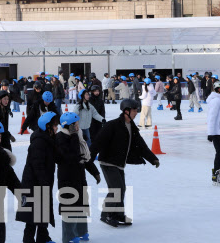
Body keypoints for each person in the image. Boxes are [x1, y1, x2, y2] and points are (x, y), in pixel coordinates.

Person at [90, 98, 160, 227]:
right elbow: (98, 142)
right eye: (134, 110)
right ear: (126, 111)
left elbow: (141, 145)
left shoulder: (131, 127)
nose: (136, 112)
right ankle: (106, 214)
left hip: (119, 163)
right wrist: (89, 160)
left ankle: (118, 214)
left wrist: (152, 158)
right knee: (117, 189)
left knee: (121, 189)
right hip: (108, 162)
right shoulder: (112, 125)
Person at [56, 111, 100, 243]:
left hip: (79, 176)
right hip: (67, 177)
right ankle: (68, 235)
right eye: (75, 124)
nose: (78, 126)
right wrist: (74, 136)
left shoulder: (79, 136)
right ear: (68, 126)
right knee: (69, 206)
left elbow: (85, 158)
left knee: (81, 204)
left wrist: (95, 172)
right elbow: (72, 156)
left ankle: (81, 231)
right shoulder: (60, 138)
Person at [16, 111, 59, 243]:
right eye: (55, 125)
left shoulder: (49, 138)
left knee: (42, 211)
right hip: (34, 182)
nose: (57, 127)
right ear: (47, 126)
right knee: (33, 215)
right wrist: (43, 182)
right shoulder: (39, 142)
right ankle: (28, 240)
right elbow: (37, 164)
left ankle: (43, 237)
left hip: (42, 181)